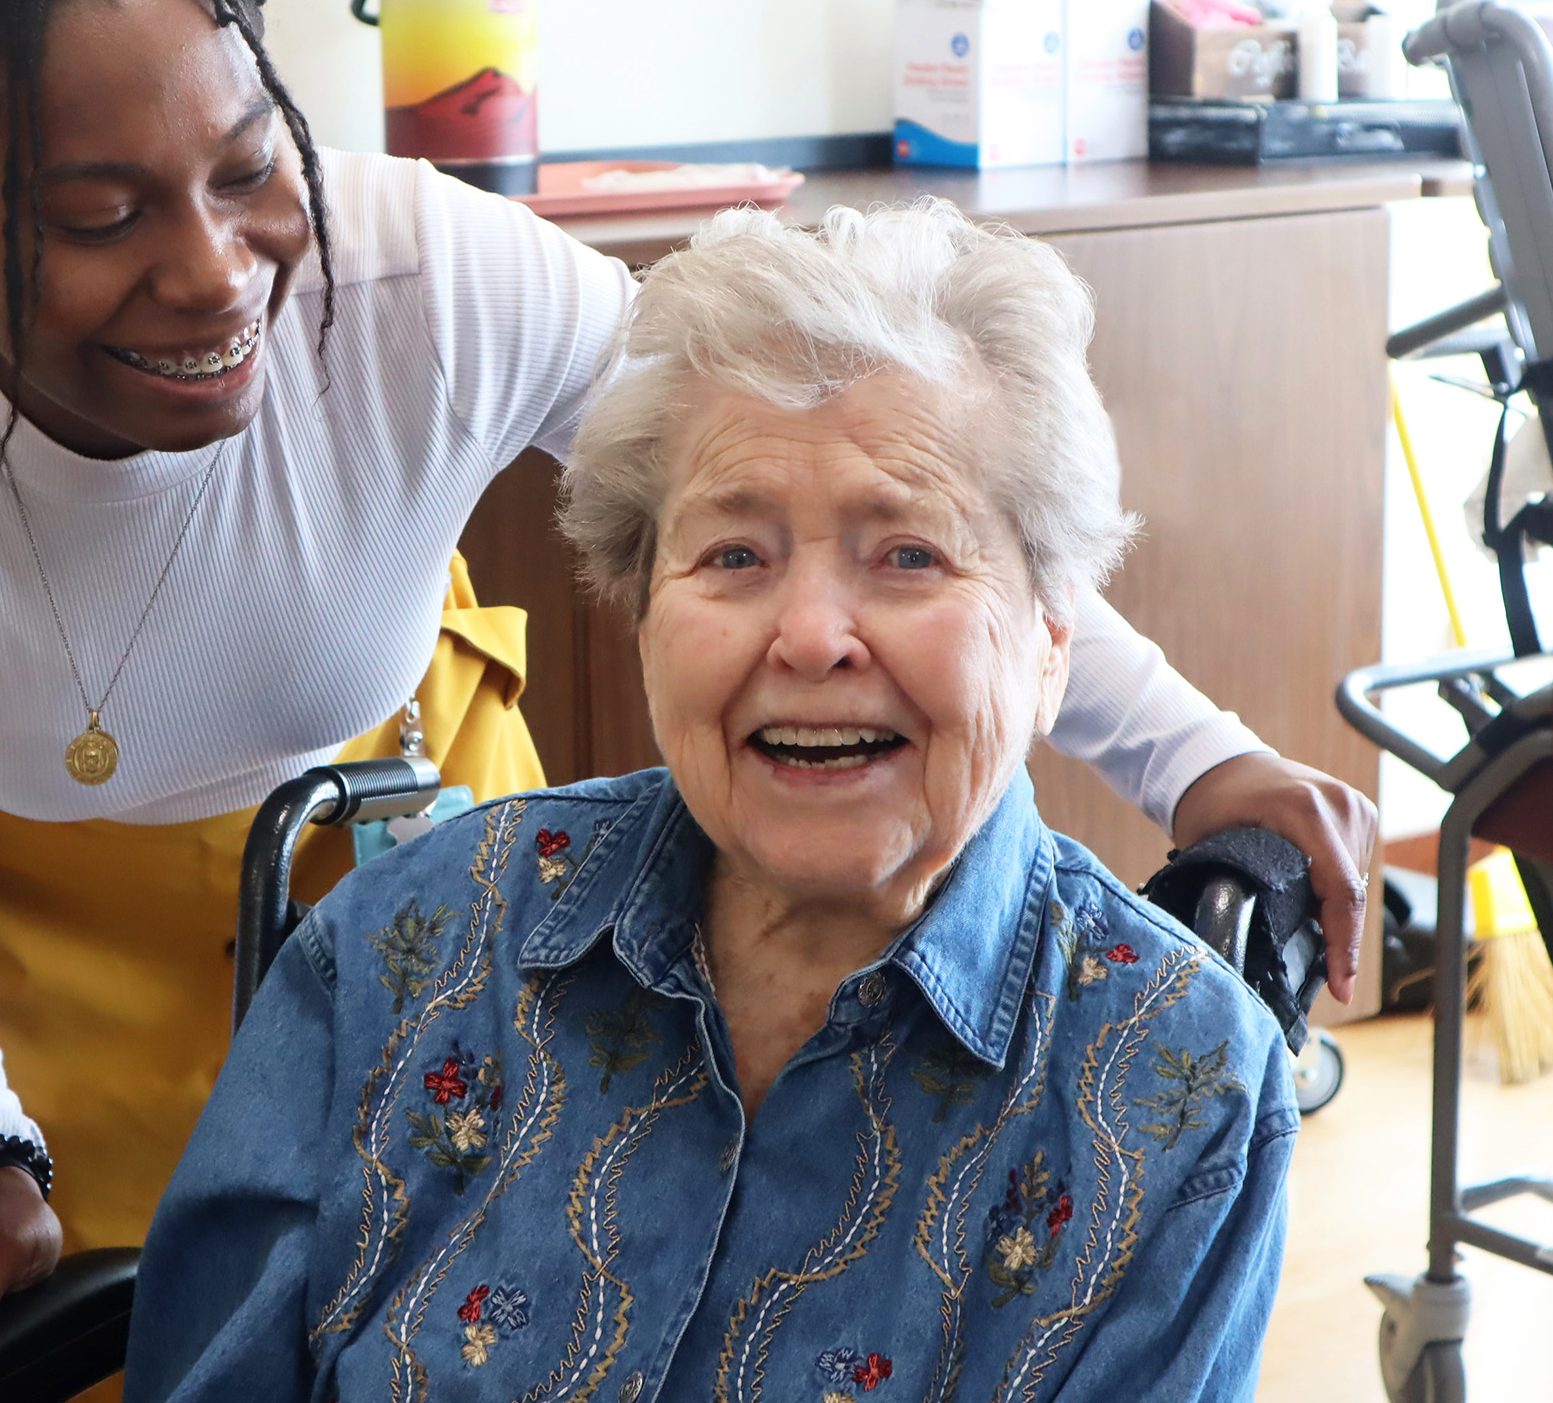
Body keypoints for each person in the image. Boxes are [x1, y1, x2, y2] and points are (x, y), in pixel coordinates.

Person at [0, 0, 1368, 1371]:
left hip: (386, 857)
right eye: (102, 214)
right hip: (3, 981)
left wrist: (1200, 759)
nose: (211, 270)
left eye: (254, 167)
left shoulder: (424, 287)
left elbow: (888, 469)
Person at [127, 202, 1298, 1403]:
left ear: (1052, 643)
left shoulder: (1177, 1087)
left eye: (907, 554)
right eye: (733, 557)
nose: (806, 636)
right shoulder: (406, 944)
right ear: (641, 617)